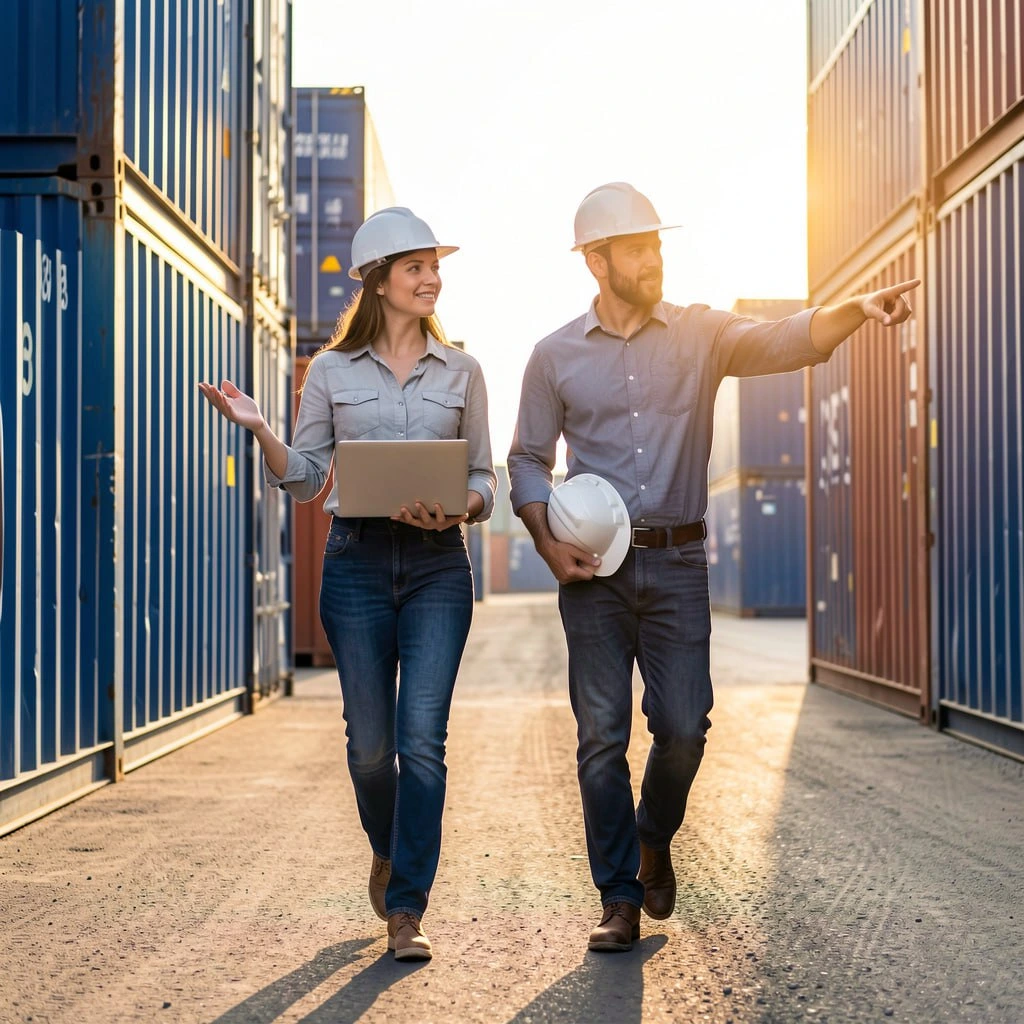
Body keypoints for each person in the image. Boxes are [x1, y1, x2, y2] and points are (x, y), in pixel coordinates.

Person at [507, 182, 919, 953]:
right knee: (600, 735)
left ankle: (653, 834)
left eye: (658, 243)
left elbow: (787, 337)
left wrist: (854, 309)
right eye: (637, 248)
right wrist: (541, 536)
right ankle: (619, 897)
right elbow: (526, 459)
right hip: (591, 573)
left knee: (684, 729)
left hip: (679, 563)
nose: (654, 257)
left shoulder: (700, 334)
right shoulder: (552, 356)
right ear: (597, 262)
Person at [199, 207, 496, 962]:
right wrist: (261, 428)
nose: (433, 279)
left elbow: (482, 478)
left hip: (437, 566)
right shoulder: (329, 372)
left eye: (435, 266)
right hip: (356, 565)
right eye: (416, 268)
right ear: (378, 283)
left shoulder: (463, 369)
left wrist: (455, 506)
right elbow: (304, 481)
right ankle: (388, 848)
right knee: (370, 750)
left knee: (421, 743)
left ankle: (407, 909)